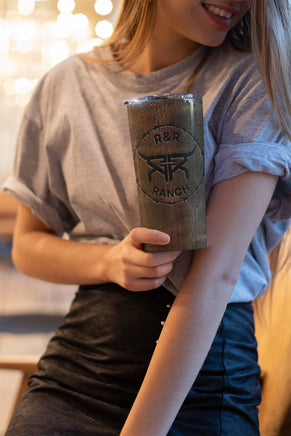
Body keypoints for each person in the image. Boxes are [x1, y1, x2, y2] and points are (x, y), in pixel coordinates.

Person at [2, 0, 291, 435]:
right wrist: (107, 262)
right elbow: (27, 243)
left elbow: (215, 276)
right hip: (80, 369)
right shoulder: (64, 85)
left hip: (203, 380)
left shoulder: (253, 81)